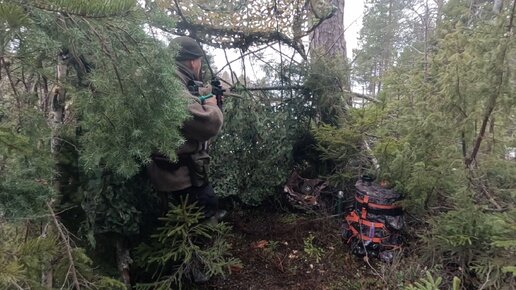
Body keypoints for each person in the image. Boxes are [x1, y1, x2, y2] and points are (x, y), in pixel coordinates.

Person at [147, 36, 223, 221]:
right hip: (180, 177)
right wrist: (212, 105)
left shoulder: (169, 78)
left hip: (176, 172)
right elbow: (208, 125)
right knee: (200, 222)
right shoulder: (171, 86)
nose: (199, 66)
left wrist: (206, 93)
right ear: (192, 61)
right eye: (199, 61)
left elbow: (189, 96)